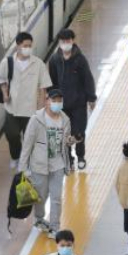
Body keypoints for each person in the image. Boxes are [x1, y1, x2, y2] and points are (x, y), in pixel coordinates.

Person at [18, 89, 73, 235]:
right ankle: (39, 218)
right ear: (47, 101)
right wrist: (23, 168)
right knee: (40, 196)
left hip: (58, 164)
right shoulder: (36, 120)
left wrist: (70, 141)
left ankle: (55, 227)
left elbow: (65, 141)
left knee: (56, 198)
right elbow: (27, 144)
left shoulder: (65, 119)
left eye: (59, 101)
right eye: (54, 100)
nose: (57, 103)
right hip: (39, 165)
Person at [0, 32, 52, 169]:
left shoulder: (38, 64)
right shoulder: (8, 63)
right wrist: (5, 94)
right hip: (12, 108)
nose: (28, 48)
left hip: (30, 109)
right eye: (25, 46)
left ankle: (27, 162)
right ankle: (15, 157)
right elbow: (1, 80)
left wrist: (40, 109)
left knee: (30, 138)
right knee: (11, 134)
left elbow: (43, 88)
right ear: (18, 46)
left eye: (30, 46)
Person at [46, 31, 97, 170]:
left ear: (73, 40)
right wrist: (52, 99)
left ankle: (81, 156)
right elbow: (51, 82)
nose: (65, 43)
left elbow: (88, 79)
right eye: (62, 41)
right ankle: (69, 159)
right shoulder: (55, 60)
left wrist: (91, 97)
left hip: (79, 103)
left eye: (67, 40)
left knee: (79, 131)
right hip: (62, 105)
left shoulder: (80, 59)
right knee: (65, 133)